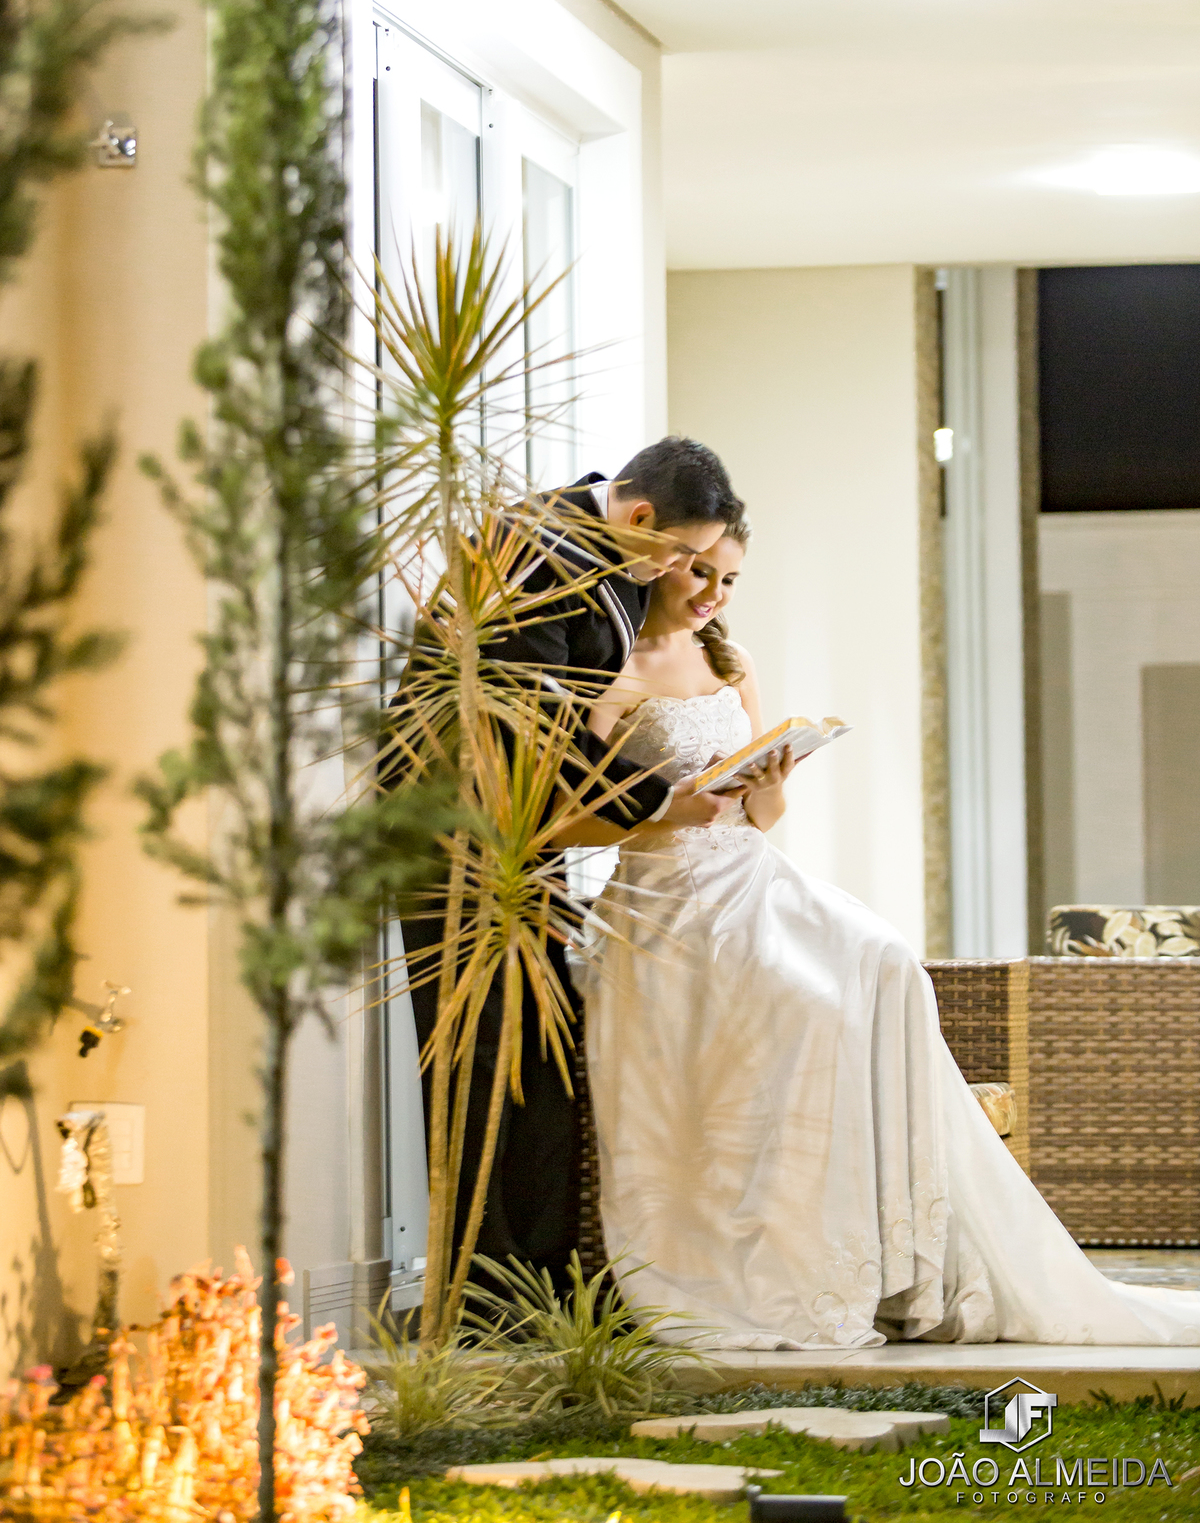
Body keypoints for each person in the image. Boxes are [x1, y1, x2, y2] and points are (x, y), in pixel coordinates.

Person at [564, 517, 1200, 1349]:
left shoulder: (733, 662)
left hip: (752, 880)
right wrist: (669, 808)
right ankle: (776, 1258)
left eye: (730, 581)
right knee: (812, 1009)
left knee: (889, 961)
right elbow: (580, 818)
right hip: (666, 900)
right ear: (665, 564)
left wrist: (771, 779)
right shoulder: (610, 676)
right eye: (702, 573)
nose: (714, 594)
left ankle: (901, 1258)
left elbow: (764, 818)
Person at [401, 436, 747, 1291]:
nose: (680, 572)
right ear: (641, 515)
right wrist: (659, 800)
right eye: (681, 553)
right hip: (456, 832)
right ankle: (483, 1290)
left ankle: (547, 1278)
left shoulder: (608, 548)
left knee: (545, 1054)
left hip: (528, 836)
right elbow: (528, 723)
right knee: (481, 1061)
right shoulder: (530, 551)